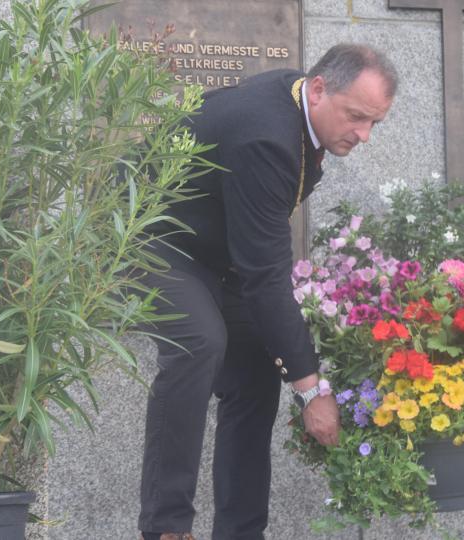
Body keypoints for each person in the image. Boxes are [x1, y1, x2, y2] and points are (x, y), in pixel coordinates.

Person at [137, 44, 398, 540]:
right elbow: (265, 278)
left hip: (209, 249)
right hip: (145, 234)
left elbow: (259, 268)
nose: (363, 135)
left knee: (256, 364)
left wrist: (296, 371)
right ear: (319, 89)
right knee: (198, 341)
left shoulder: (300, 104)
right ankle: (167, 527)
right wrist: (311, 389)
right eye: (357, 117)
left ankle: (240, 532)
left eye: (374, 124)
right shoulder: (268, 137)